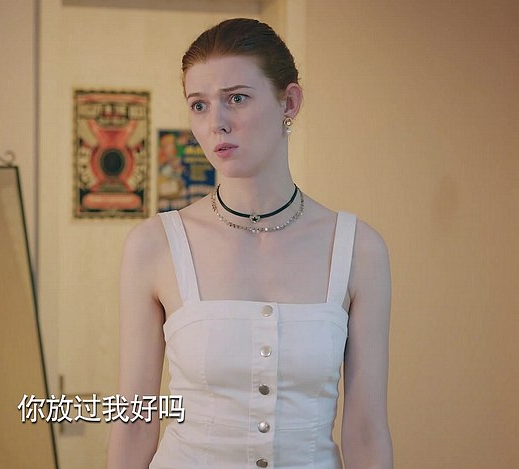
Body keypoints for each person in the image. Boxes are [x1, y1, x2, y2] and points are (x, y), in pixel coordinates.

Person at [106, 18, 393, 469]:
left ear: (289, 102)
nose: (216, 123)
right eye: (199, 105)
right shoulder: (154, 245)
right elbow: (135, 422)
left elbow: (366, 430)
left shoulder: (359, 249)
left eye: (236, 98)